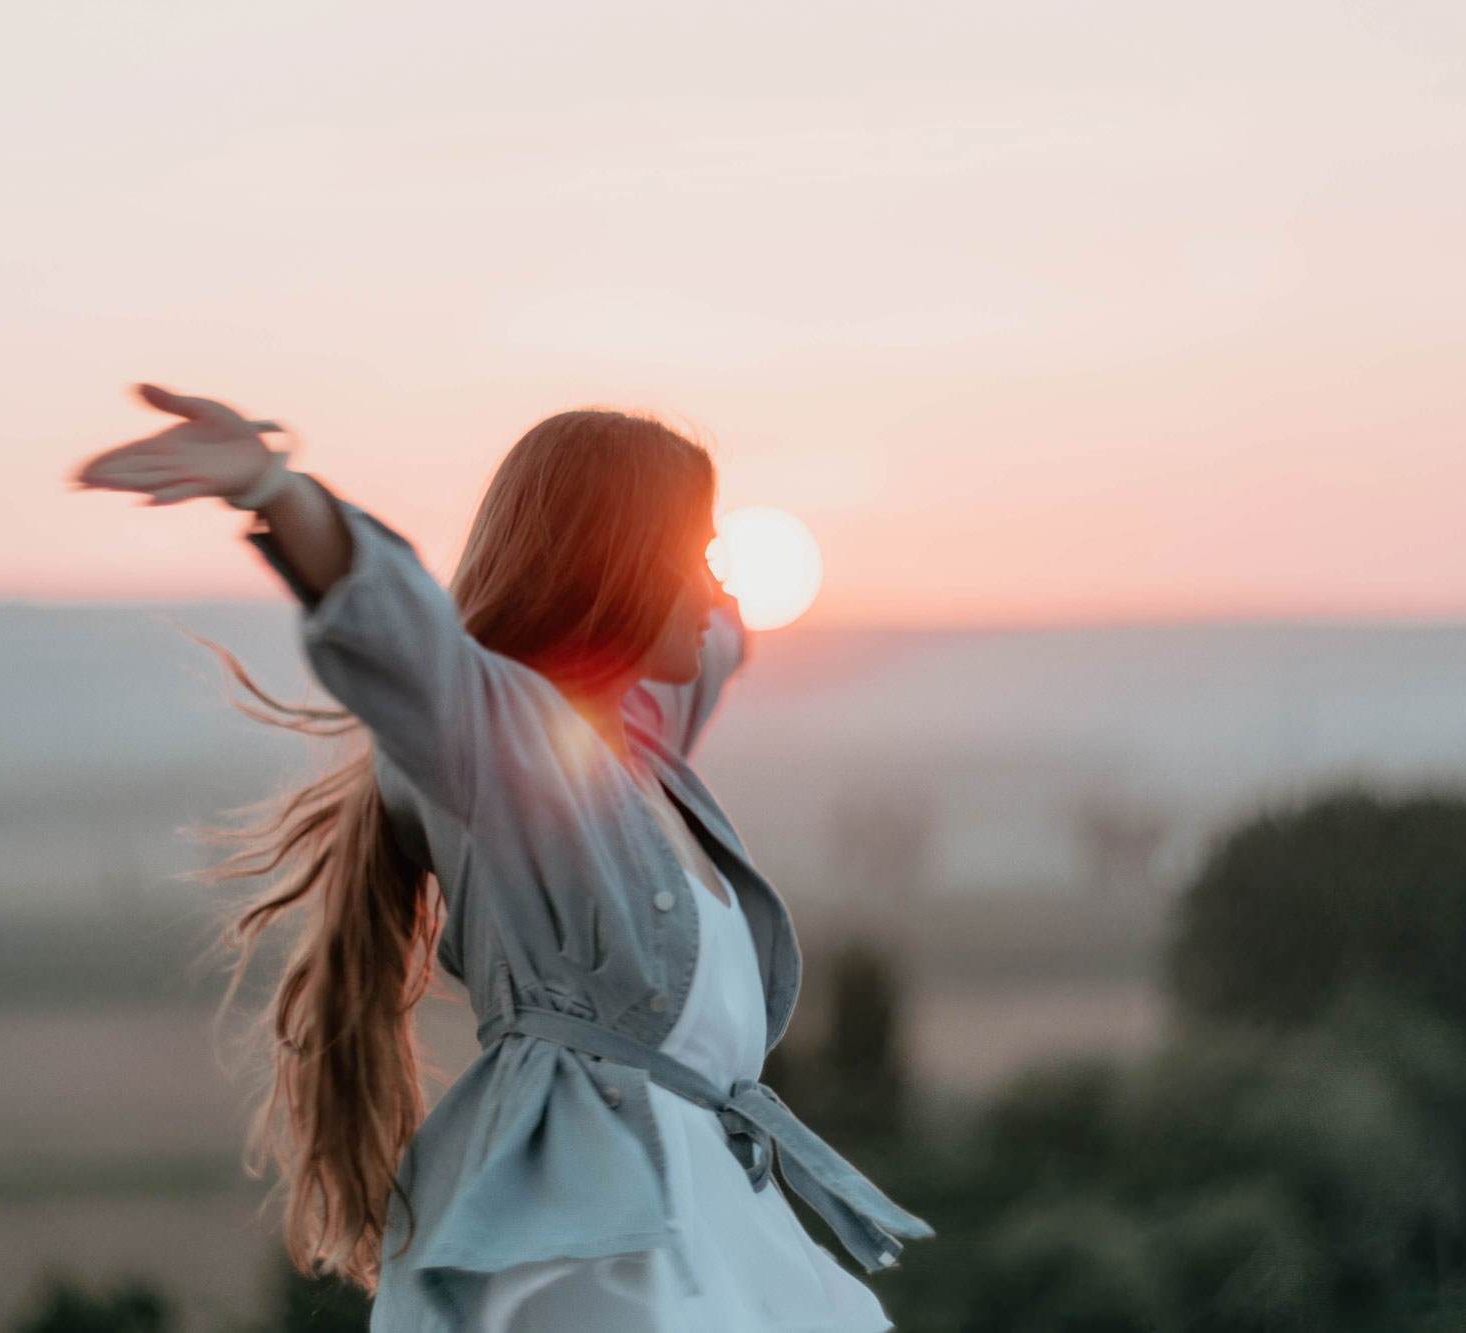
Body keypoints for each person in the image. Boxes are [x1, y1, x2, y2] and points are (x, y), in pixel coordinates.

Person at [69, 383, 934, 1331]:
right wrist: (281, 492)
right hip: (595, 1254)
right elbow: (417, 655)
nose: (721, 589)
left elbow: (720, 635)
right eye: (700, 558)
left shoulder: (643, 741)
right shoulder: (525, 767)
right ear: (620, 568)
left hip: (713, 1234)